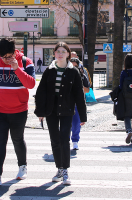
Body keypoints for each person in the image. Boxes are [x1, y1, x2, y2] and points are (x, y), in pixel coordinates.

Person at [34, 42, 87, 185]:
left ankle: (65, 171)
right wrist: (40, 111)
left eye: (64, 51)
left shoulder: (73, 71)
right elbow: (41, 92)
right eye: (58, 51)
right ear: (54, 54)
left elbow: (79, 95)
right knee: (55, 140)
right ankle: (59, 168)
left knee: (64, 139)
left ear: (68, 54)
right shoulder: (49, 70)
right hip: (51, 110)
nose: (61, 53)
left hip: (67, 109)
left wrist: (83, 116)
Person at [0, 38, 36, 185]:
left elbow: (31, 84)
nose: (7, 59)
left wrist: (17, 69)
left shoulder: (26, 61)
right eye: (3, 57)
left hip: (19, 110)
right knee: (0, 142)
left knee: (17, 139)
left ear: (15, 51)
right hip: (1, 111)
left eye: (10, 56)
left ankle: (22, 166)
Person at [70, 57, 90, 150]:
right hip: (67, 103)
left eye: (76, 66)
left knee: (77, 123)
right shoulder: (64, 75)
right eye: (72, 66)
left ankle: (75, 141)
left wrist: (79, 87)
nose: (74, 68)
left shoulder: (82, 76)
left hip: (78, 104)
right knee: (66, 123)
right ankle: (65, 140)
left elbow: (87, 89)